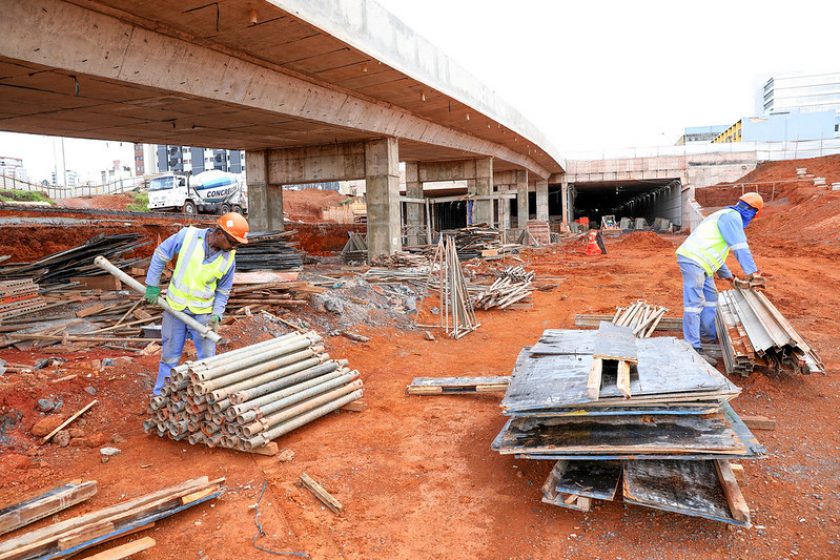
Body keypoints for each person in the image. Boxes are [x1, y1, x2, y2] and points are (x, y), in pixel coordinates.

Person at [144, 213, 249, 395]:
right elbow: (161, 253)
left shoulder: (228, 259)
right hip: (174, 310)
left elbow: (223, 291)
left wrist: (216, 315)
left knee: (207, 360)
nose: (234, 247)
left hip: (202, 315)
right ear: (221, 234)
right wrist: (152, 285)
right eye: (233, 242)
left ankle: (207, 396)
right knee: (169, 356)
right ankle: (160, 395)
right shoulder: (188, 236)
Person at [675, 192, 763, 364]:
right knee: (695, 303)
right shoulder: (732, 217)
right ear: (754, 213)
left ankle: (707, 336)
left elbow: (716, 254)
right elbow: (740, 247)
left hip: (703, 262)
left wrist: (731, 278)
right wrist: (753, 274)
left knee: (711, 297)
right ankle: (693, 348)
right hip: (694, 260)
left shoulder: (724, 215)